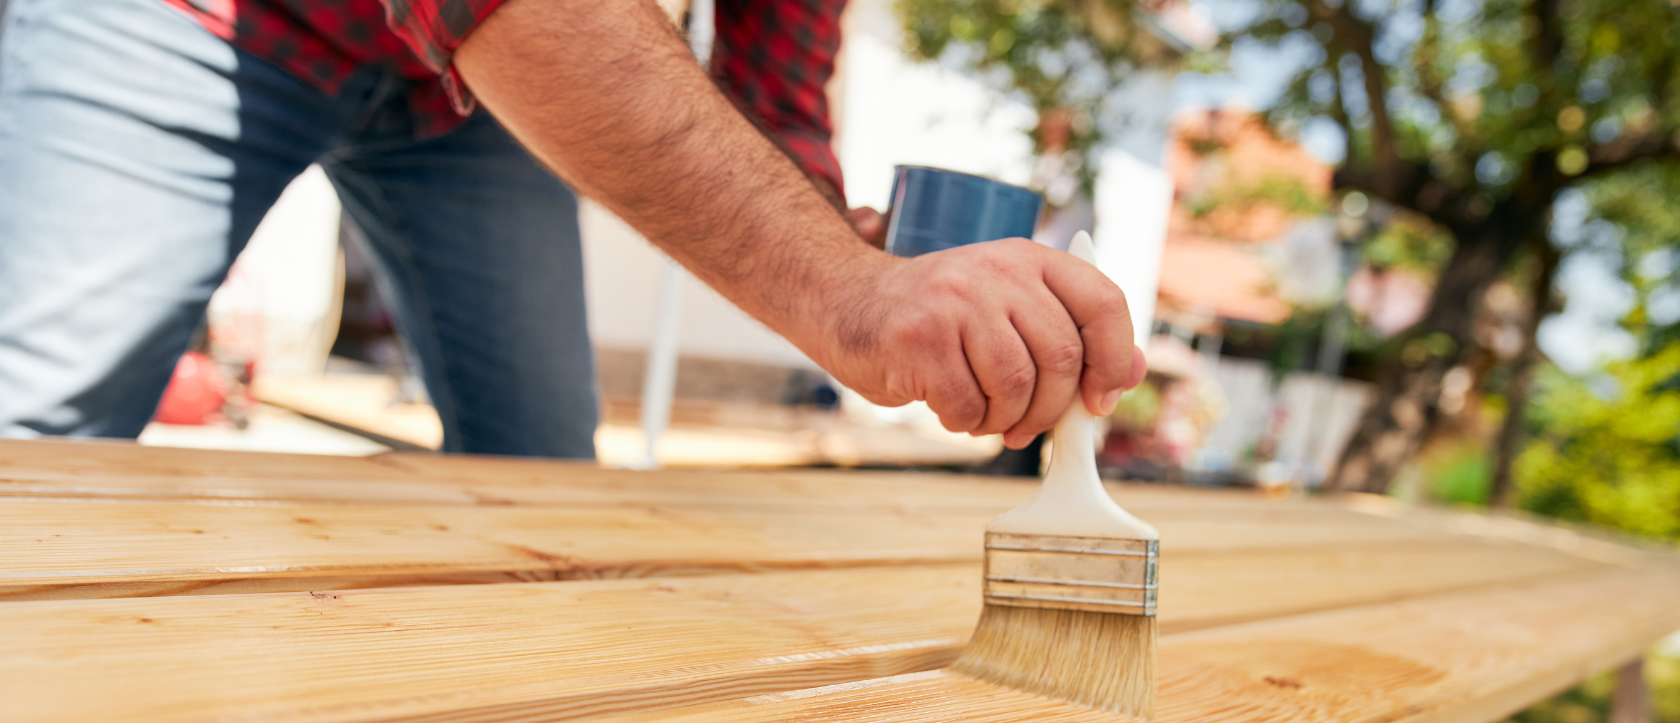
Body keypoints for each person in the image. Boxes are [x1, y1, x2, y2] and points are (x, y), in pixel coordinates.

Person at [0, 0, 1144, 457]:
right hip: (202, 20)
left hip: (461, 97)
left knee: (543, 466)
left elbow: (775, 89)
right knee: (38, 422)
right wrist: (845, 297)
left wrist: (859, 250)